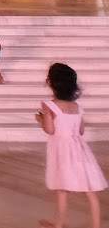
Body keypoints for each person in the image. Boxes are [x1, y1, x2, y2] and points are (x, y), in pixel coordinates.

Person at [36, 62, 106, 228]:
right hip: (79, 149)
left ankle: (59, 224)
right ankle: (96, 225)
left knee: (62, 188)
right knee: (90, 190)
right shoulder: (76, 106)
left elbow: (50, 130)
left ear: (50, 82)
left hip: (61, 150)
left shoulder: (48, 105)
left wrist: (40, 119)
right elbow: (81, 130)